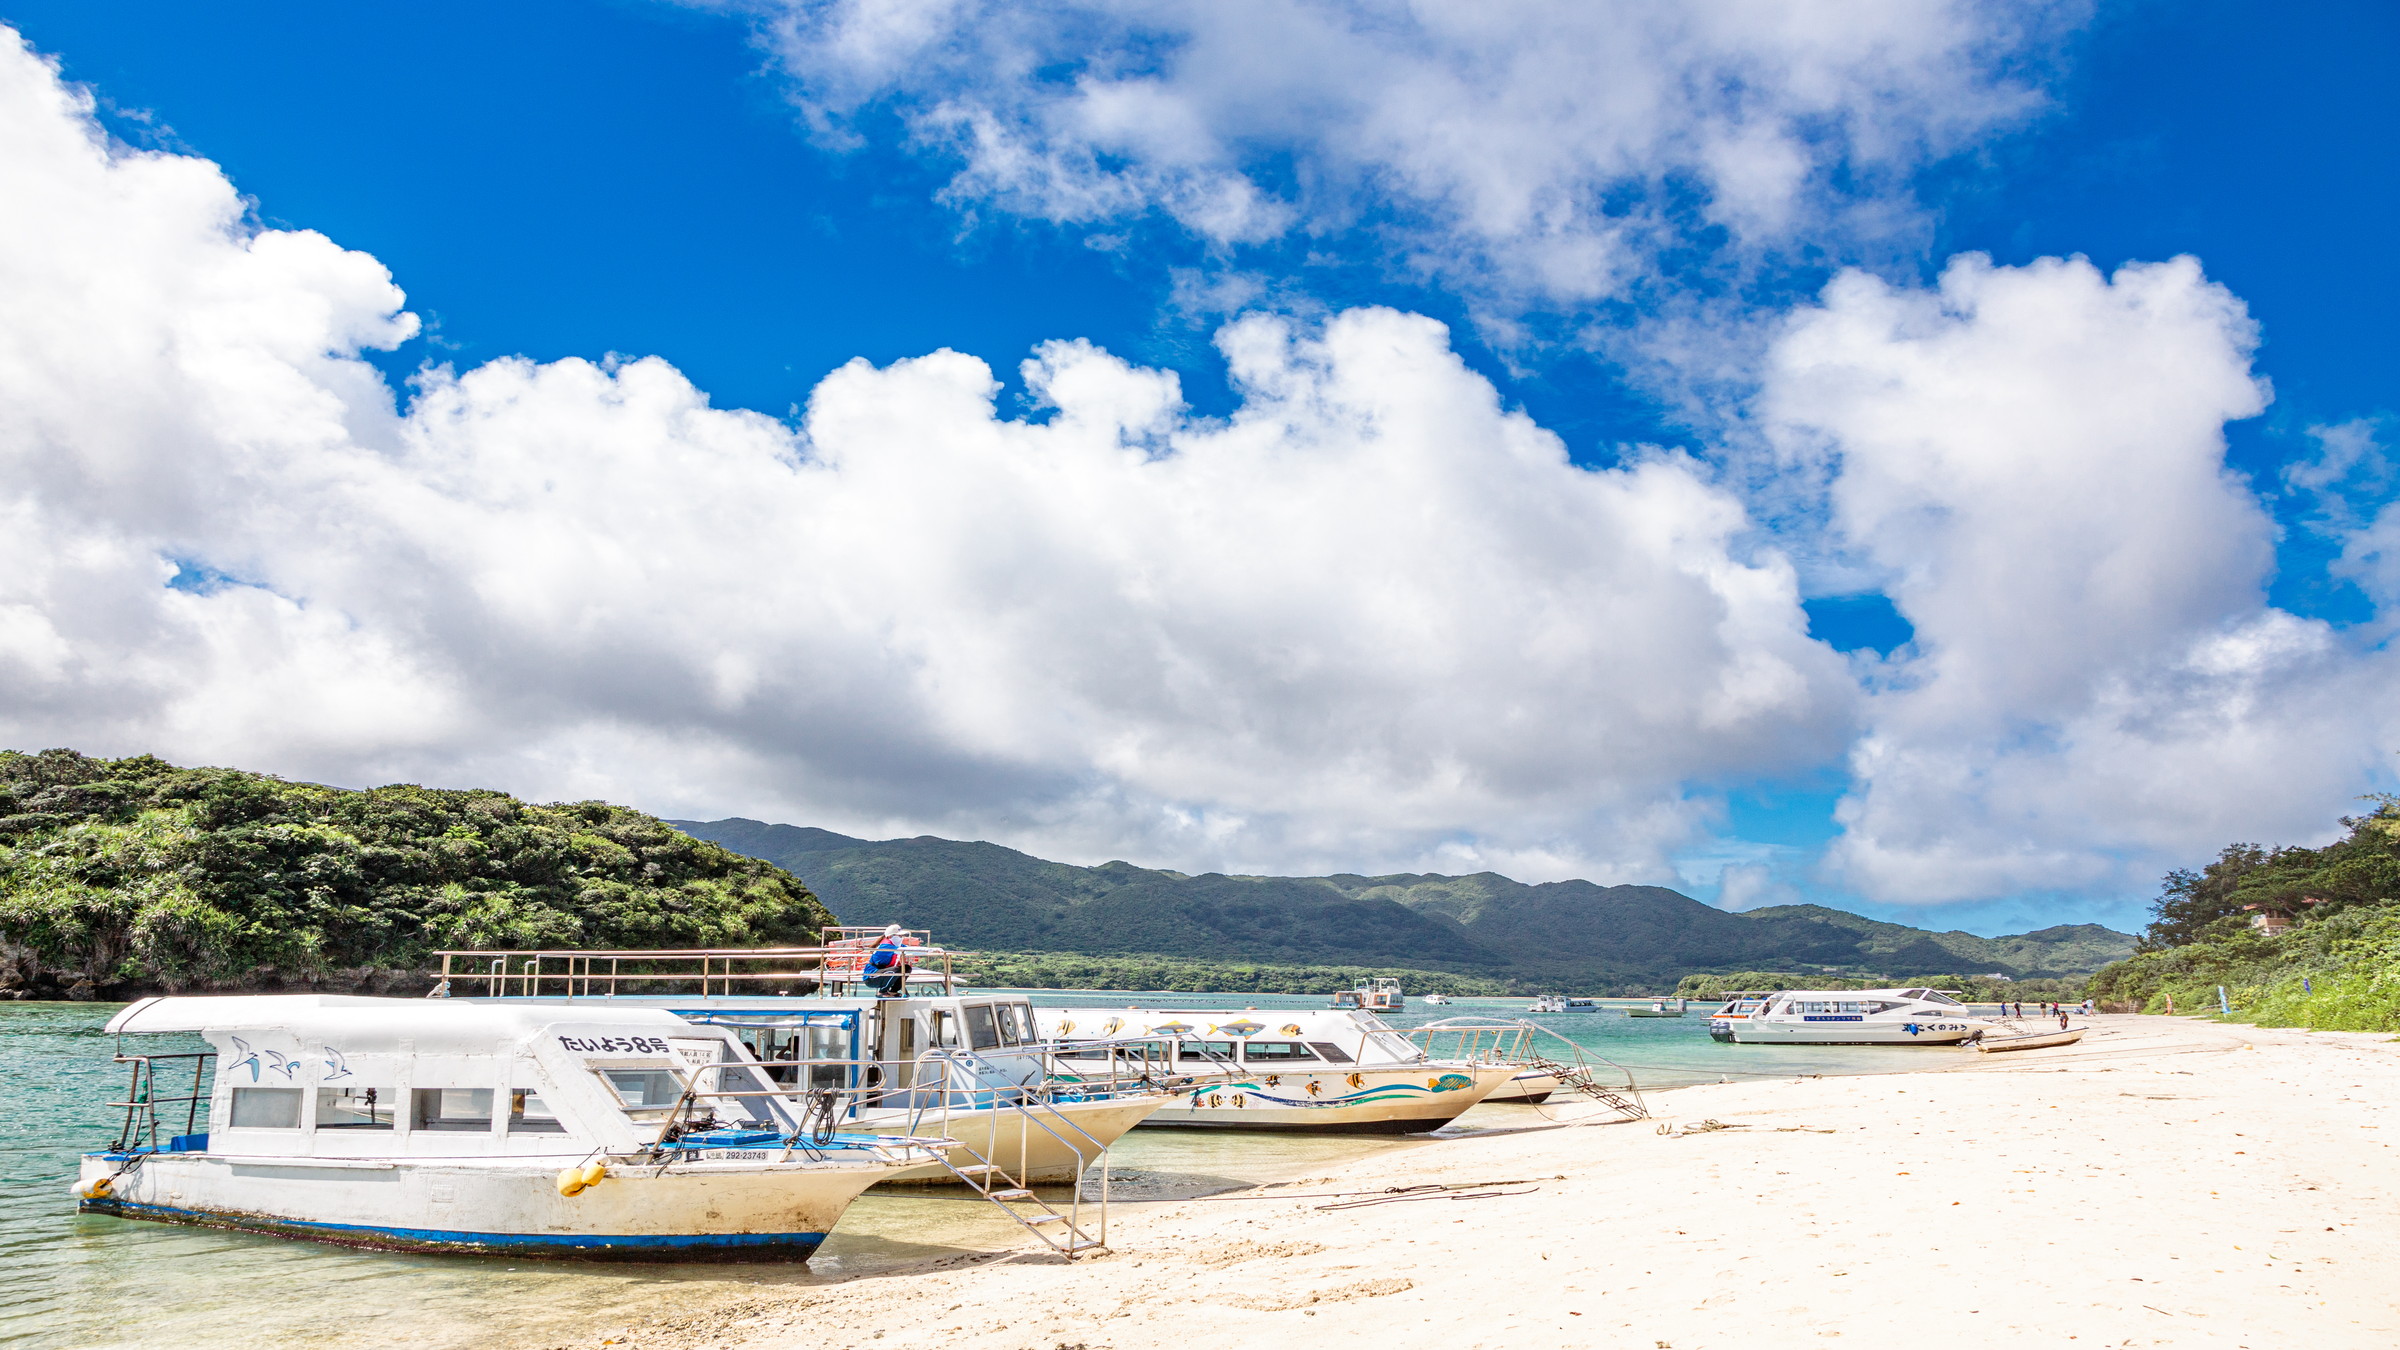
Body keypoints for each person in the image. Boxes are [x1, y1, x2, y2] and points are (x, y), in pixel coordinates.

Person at [863, 924, 912, 997]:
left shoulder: (896, 945)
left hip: (882, 974)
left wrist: (928, 950)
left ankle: (893, 991)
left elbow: (910, 949)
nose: (901, 938)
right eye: (899, 936)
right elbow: (905, 950)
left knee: (906, 968)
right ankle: (882, 992)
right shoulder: (885, 945)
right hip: (871, 977)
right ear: (889, 936)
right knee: (896, 970)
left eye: (901, 936)